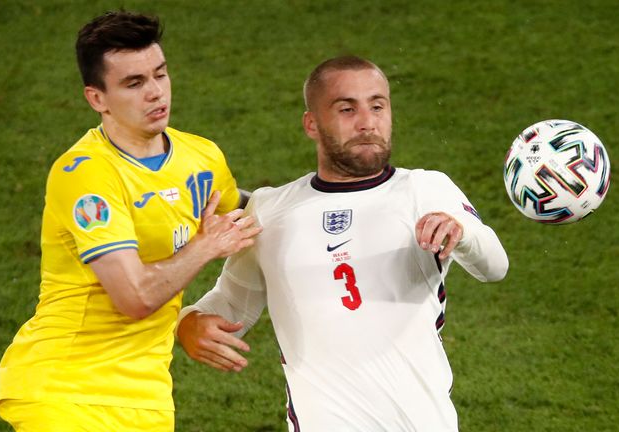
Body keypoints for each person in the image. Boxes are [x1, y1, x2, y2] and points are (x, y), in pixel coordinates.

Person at [177, 56, 509, 431]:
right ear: (312, 124)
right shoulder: (269, 210)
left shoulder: (423, 188)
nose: (368, 122)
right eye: (347, 109)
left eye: (378, 106)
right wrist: (189, 323)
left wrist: (461, 232)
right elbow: (232, 302)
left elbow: (495, 267)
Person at [0, 11, 260, 431]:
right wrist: (205, 246)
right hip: (68, 389)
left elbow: (249, 214)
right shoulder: (87, 175)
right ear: (96, 98)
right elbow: (134, 297)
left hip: (146, 399)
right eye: (134, 84)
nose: (155, 93)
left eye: (160, 74)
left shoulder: (201, 156)